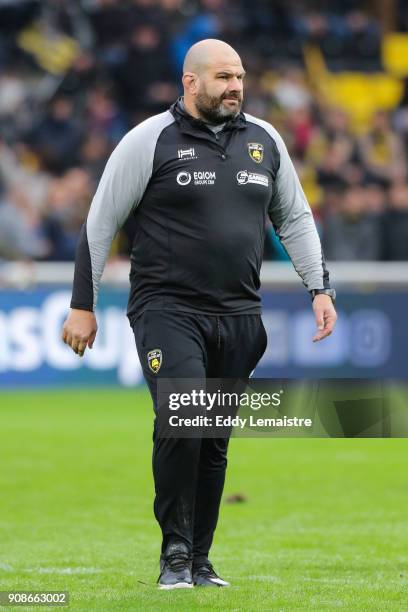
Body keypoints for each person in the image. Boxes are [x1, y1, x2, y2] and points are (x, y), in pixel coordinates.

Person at [62, 39, 337, 589]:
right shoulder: (148, 140)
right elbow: (100, 223)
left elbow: (296, 219)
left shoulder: (265, 140)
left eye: (239, 76)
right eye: (222, 77)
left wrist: (319, 288)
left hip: (240, 315)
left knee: (213, 441)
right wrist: (82, 305)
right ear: (190, 83)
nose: (235, 86)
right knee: (183, 421)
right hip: (167, 310)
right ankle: (175, 553)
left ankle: (201, 560)